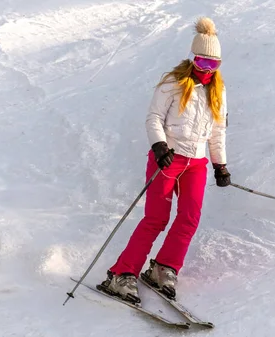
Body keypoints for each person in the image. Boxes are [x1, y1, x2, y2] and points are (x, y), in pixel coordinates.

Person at [98, 16, 231, 304]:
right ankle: (123, 273)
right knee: (156, 218)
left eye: (214, 64)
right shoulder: (173, 83)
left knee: (189, 217)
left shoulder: (217, 92)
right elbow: (154, 117)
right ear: (192, 58)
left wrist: (220, 164)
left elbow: (217, 131)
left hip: (196, 163)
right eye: (202, 62)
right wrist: (159, 147)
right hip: (168, 158)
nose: (207, 69)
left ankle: (164, 268)